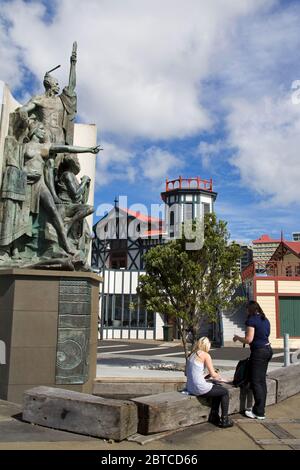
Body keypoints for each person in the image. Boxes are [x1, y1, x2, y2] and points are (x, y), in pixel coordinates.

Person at [233, 300, 273, 420]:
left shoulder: (251, 320)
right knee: (261, 381)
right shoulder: (265, 319)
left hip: (259, 352)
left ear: (250, 309)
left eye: (246, 309)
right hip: (268, 350)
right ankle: (260, 409)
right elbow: (266, 334)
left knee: (256, 382)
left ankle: (258, 412)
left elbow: (249, 339)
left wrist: (238, 338)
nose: (245, 311)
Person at [186, 336, 233, 428]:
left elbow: (187, 373)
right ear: (206, 346)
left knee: (216, 389)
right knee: (224, 392)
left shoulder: (191, 355)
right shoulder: (205, 355)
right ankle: (224, 419)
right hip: (199, 388)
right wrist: (225, 379)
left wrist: (206, 376)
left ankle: (214, 416)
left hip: (190, 388)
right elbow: (214, 374)